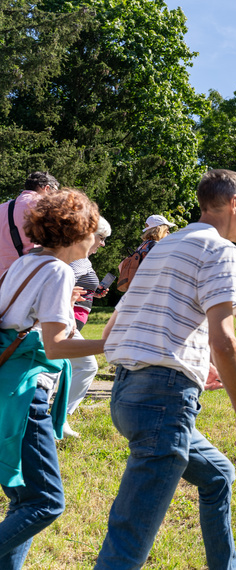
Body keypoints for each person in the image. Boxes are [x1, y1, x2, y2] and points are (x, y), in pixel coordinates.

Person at [95, 169, 236, 569]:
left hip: (127, 393)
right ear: (234, 203)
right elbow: (225, 338)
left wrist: (187, 358)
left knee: (218, 475)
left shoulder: (162, 248)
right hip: (163, 401)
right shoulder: (220, 249)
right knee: (128, 537)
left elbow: (117, 325)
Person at [0, 189, 105, 569]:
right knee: (45, 502)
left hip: (9, 387)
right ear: (77, 233)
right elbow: (57, 347)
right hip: (28, 393)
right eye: (93, 232)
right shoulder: (58, 271)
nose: (96, 241)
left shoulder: (28, 261)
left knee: (24, 502)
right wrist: (109, 342)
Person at [63, 216, 112, 438]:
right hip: (65, 322)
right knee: (87, 365)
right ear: (89, 235)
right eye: (101, 238)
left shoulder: (82, 259)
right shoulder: (76, 259)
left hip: (71, 322)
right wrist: (69, 308)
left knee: (61, 369)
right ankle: (59, 418)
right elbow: (58, 284)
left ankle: (56, 419)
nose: (103, 244)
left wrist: (95, 291)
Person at [0, 171, 60, 274]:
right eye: (56, 192)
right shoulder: (44, 206)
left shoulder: (2, 208)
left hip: (5, 278)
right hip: (34, 274)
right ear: (47, 188)